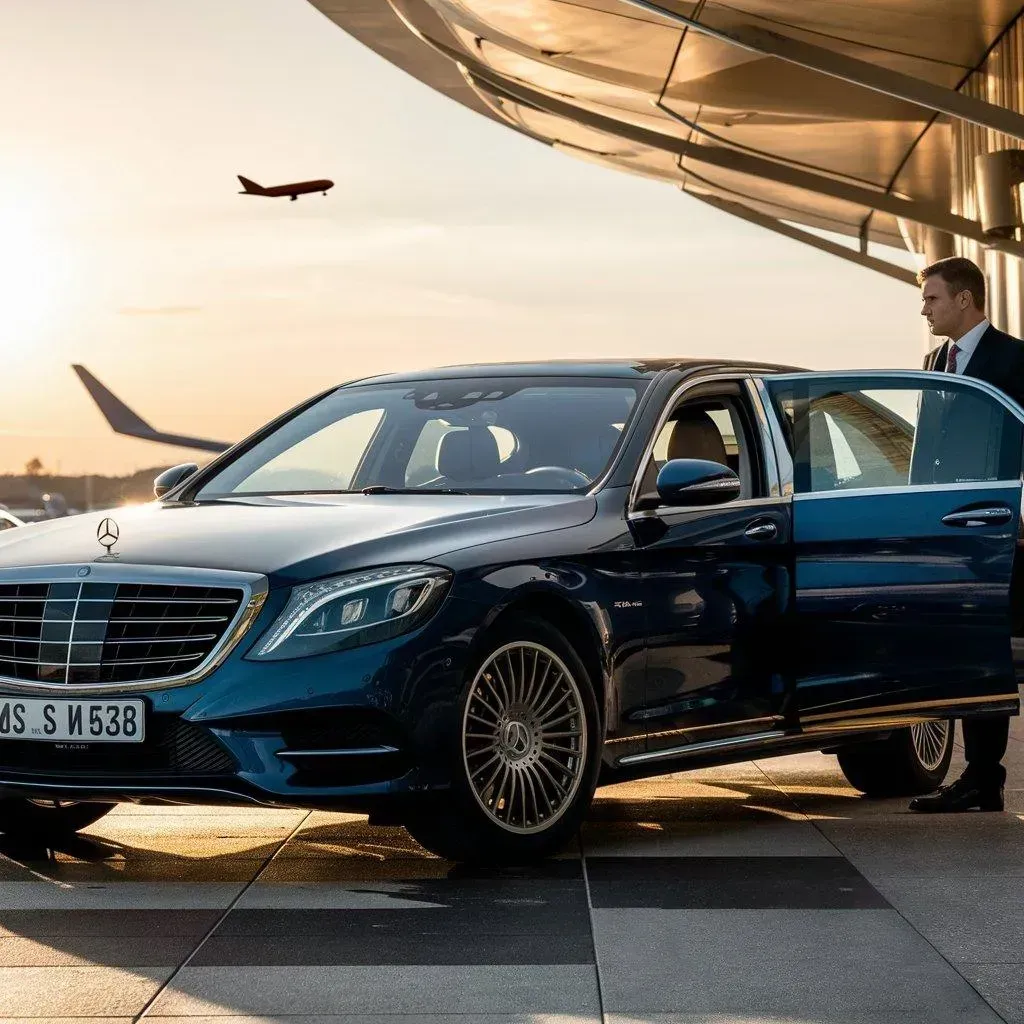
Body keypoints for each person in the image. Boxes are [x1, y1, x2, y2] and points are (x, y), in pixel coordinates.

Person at [910, 256, 1024, 813]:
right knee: (967, 649)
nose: (924, 309)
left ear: (965, 299)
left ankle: (984, 775)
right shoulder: (935, 360)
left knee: (991, 651)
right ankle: (980, 776)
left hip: (999, 528)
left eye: (932, 298)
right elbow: (926, 447)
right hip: (947, 529)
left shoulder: (1015, 359)